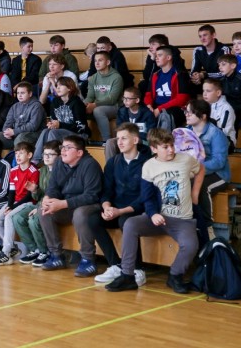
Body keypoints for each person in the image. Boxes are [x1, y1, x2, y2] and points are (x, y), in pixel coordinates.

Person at [106, 128, 203, 293]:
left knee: (190, 245)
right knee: (130, 224)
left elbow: (200, 169)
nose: (171, 150)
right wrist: (153, 214)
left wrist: (195, 193)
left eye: (171, 145)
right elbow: (147, 196)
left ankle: (175, 276)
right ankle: (127, 275)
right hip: (158, 218)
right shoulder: (149, 166)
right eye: (165, 147)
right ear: (154, 148)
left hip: (183, 220)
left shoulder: (186, 160)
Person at [90, 123, 150, 286]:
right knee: (92, 219)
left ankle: (137, 269)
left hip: (137, 210)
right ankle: (115, 265)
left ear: (135, 140)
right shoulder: (113, 162)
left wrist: (120, 211)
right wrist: (107, 207)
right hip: (116, 209)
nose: (120, 142)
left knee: (126, 222)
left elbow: (145, 197)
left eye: (124, 138)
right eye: (118, 139)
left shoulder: (147, 163)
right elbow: (106, 190)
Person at [38, 134, 103, 276]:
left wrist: (62, 203)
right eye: (62, 147)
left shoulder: (90, 165)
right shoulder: (59, 162)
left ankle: (88, 259)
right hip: (67, 205)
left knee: (80, 214)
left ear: (79, 153)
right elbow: (53, 186)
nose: (63, 151)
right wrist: (48, 198)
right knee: (43, 210)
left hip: (90, 206)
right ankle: (56, 255)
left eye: (68, 148)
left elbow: (91, 196)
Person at [184, 98, 230, 238]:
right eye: (186, 111)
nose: (187, 114)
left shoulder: (216, 134)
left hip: (218, 174)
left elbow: (219, 162)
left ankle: (208, 227)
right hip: (192, 172)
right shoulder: (186, 131)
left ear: (203, 116)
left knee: (202, 186)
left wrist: (196, 169)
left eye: (191, 112)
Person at [0, 142, 40, 265]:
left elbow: (29, 196)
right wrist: (10, 205)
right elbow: (11, 192)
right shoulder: (13, 170)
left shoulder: (34, 171)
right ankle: (12, 248)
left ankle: (6, 253)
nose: (17, 156)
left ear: (29, 155)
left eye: (21, 153)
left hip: (28, 203)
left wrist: (13, 207)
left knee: (9, 217)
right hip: (16, 202)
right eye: (16, 153)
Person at [14, 140, 60, 267]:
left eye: (50, 154)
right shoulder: (42, 170)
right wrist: (34, 190)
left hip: (51, 206)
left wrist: (39, 207)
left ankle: (44, 251)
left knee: (33, 220)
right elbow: (38, 196)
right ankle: (34, 249)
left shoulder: (61, 171)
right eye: (45, 154)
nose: (46, 157)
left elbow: (57, 195)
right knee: (17, 217)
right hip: (39, 204)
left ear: (59, 156)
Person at [33, 77, 88, 163]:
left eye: (61, 85)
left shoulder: (77, 103)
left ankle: (52, 159)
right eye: (56, 85)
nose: (57, 88)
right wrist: (51, 124)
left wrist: (60, 125)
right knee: (45, 131)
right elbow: (54, 120)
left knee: (53, 132)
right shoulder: (55, 102)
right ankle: (36, 160)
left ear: (69, 88)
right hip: (61, 133)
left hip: (79, 135)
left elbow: (81, 127)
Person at [143, 45, 192, 130]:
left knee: (165, 116)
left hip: (174, 109)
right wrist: (149, 105)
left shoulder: (180, 74)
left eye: (159, 55)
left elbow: (182, 99)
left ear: (168, 57)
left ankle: (163, 138)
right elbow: (148, 94)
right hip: (156, 107)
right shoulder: (155, 75)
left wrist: (160, 109)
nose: (156, 58)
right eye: (156, 55)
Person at [104, 86, 156, 159]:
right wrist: (127, 137)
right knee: (110, 143)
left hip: (142, 140)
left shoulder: (147, 113)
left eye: (128, 99)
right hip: (125, 138)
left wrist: (133, 137)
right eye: (124, 98)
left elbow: (151, 133)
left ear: (137, 100)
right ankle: (111, 165)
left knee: (131, 140)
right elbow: (119, 129)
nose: (125, 101)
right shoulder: (122, 111)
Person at [0, 81, 45, 152]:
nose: (19, 95)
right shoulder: (15, 106)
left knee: (20, 139)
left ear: (30, 94)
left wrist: (14, 131)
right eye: (18, 93)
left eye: (22, 93)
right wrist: (6, 132)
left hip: (33, 134)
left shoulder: (37, 106)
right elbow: (8, 122)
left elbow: (33, 126)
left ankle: (17, 158)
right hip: (15, 135)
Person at [83, 50, 124, 142]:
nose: (97, 63)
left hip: (114, 106)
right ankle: (82, 139)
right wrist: (83, 104)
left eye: (100, 60)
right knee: (78, 108)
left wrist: (95, 105)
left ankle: (107, 141)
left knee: (98, 111)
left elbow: (112, 99)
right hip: (97, 105)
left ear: (108, 62)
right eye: (95, 61)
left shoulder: (116, 77)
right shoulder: (93, 78)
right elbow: (90, 97)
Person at [218, 53, 241, 123]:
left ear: (233, 66)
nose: (220, 67)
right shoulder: (221, 80)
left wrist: (229, 108)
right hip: (227, 113)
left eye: (223, 64)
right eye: (219, 65)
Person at [202, 78, 236, 149]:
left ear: (218, 93)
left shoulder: (226, 108)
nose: (204, 94)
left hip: (226, 142)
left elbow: (224, 132)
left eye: (208, 91)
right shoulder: (203, 107)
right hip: (208, 140)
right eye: (203, 90)